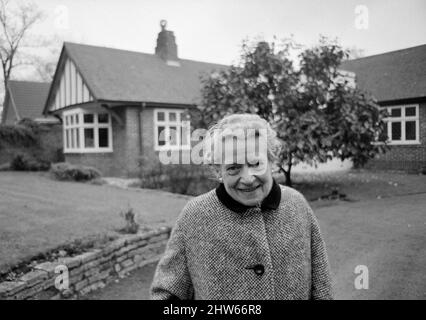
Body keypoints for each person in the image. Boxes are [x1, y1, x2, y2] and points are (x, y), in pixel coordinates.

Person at [150, 113, 333, 300]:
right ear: (218, 170)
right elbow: (166, 293)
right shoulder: (195, 216)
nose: (247, 178)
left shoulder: (296, 205)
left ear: (272, 162)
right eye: (233, 168)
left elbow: (321, 285)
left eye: (256, 163)